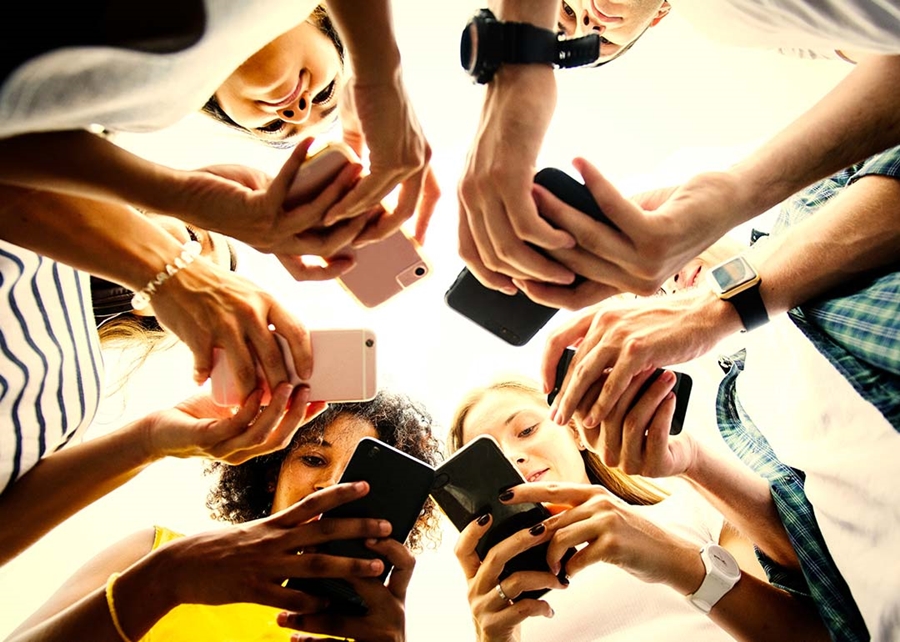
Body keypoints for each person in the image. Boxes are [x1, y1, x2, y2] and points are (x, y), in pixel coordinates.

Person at [539, 146, 900, 640]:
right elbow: (812, 573)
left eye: (658, 255)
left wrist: (719, 298)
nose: (666, 284)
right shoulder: (741, 410)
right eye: (651, 297)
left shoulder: (816, 207)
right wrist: (689, 461)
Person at [0, 1, 439, 398]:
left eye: (273, 128)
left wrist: (185, 196)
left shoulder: (135, 109)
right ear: (321, 16)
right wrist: (380, 74)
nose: (297, 112)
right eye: (327, 93)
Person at [457, 0, 900, 312]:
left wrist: (517, 62)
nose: (587, 21)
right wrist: (732, 196)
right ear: (659, 16)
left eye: (567, 11)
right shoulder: (776, 29)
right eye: (599, 41)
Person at [7, 392, 442, 642]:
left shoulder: (363, 633)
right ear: (271, 474)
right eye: (313, 459)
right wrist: (165, 577)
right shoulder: (154, 551)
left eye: (354, 475)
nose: (330, 485)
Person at [447, 378, 829, 641]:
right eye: (490, 457)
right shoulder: (506, 611)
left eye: (527, 430)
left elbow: (819, 633)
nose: (513, 456)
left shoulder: (693, 509)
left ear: (574, 431)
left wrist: (671, 558)